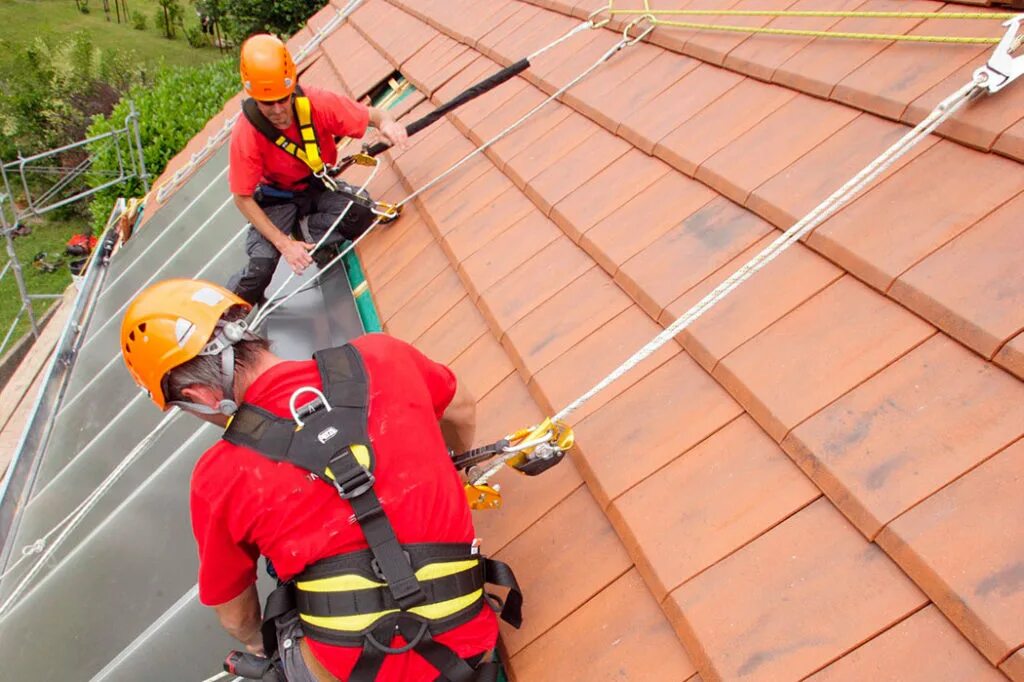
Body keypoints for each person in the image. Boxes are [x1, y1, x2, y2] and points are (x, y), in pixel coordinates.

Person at [119, 279, 521, 681]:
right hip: (468, 646)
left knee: (281, 587)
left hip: (356, 671)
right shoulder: (383, 356)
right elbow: (461, 409)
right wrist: (449, 470)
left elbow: (236, 616)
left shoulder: (219, 475)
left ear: (200, 395)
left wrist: (259, 644)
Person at [228, 34, 409, 306]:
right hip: (275, 200)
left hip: (314, 187)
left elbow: (375, 116)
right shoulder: (247, 132)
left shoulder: (316, 103)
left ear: (293, 87)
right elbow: (242, 198)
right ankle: (227, 313)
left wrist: (388, 124)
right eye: (267, 103)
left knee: (360, 213)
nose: (278, 110)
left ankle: (305, 232)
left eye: (283, 99)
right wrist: (283, 244)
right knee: (260, 270)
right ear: (253, 97)